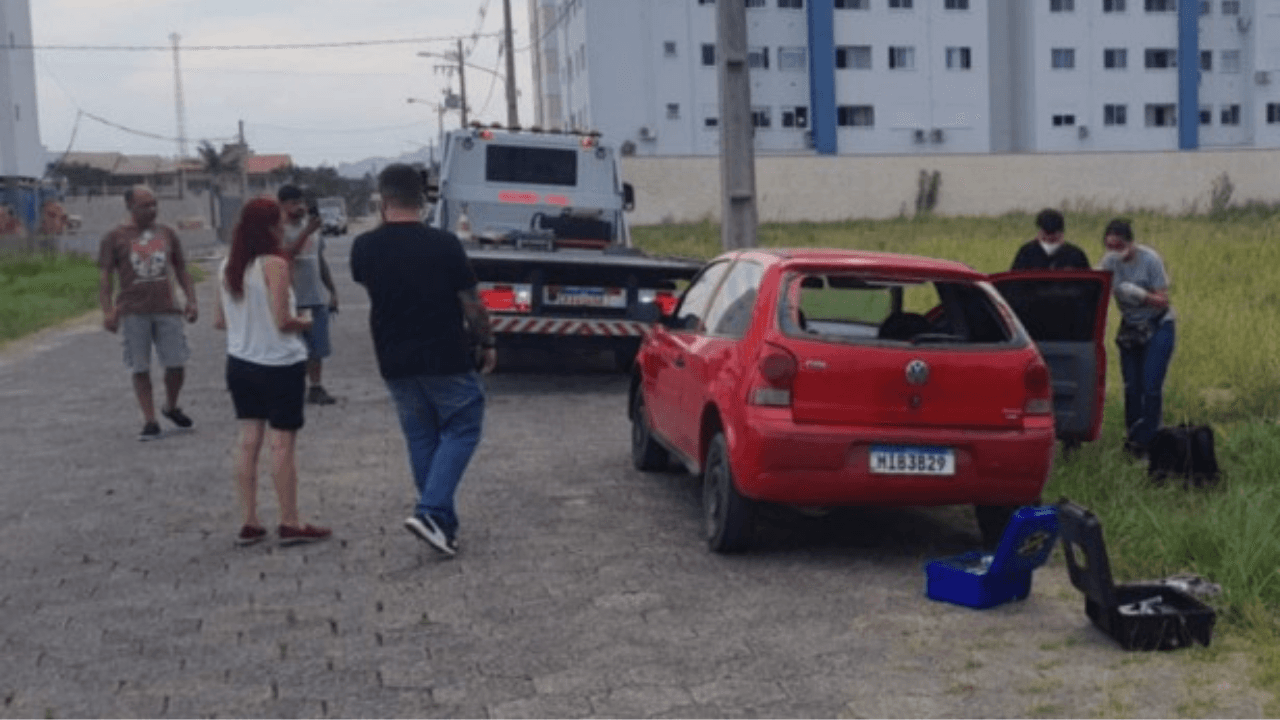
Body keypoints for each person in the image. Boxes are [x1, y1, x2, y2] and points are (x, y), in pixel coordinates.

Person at [350, 164, 497, 557]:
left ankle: (441, 527)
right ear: (422, 200)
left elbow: (368, 283)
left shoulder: (364, 247)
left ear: (383, 200)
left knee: (421, 437)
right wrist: (486, 341)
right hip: (445, 354)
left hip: (393, 357)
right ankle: (431, 510)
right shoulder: (445, 244)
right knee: (462, 429)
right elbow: (471, 302)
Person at [212, 197, 332, 547]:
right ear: (268, 227)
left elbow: (219, 320)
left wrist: (247, 324)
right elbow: (283, 320)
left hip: (240, 363)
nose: (283, 225)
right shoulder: (275, 265)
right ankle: (289, 520)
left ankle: (249, 520)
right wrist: (305, 321)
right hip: (280, 364)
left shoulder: (227, 267)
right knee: (282, 444)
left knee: (248, 440)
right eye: (278, 221)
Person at [97, 186, 199, 440]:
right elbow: (105, 276)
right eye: (145, 205)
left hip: (167, 308)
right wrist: (108, 310)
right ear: (130, 206)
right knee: (140, 367)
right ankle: (150, 419)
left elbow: (182, 269)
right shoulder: (114, 237)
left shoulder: (167, 233)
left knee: (176, 363)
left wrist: (191, 300)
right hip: (133, 311)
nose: (151, 210)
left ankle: (171, 406)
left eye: (154, 204)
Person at [1098, 218, 1175, 457]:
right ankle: (1134, 439)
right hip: (1131, 328)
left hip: (1157, 325)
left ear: (1131, 243)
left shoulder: (1150, 260)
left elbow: (1163, 300)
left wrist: (1141, 295)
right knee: (1132, 387)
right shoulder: (1109, 262)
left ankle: (1151, 440)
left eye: (1120, 246)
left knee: (1150, 386)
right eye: (1110, 247)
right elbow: (1097, 288)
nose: (1115, 251)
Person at [277, 185, 340, 405]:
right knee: (294, 349)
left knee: (317, 348)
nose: (300, 207)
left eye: (301, 202)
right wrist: (306, 233)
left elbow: (320, 261)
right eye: (294, 203)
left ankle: (316, 387)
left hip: (316, 298)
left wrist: (332, 290)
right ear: (282, 206)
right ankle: (292, 389)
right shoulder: (279, 230)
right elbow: (286, 254)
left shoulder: (313, 229)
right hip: (292, 299)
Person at [1011, 208, 1091, 271]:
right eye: (1046, 233)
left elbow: (1088, 282)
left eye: (1053, 234)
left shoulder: (1076, 255)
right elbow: (1015, 281)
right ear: (1039, 232)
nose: (1049, 238)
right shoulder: (1026, 253)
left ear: (1061, 233)